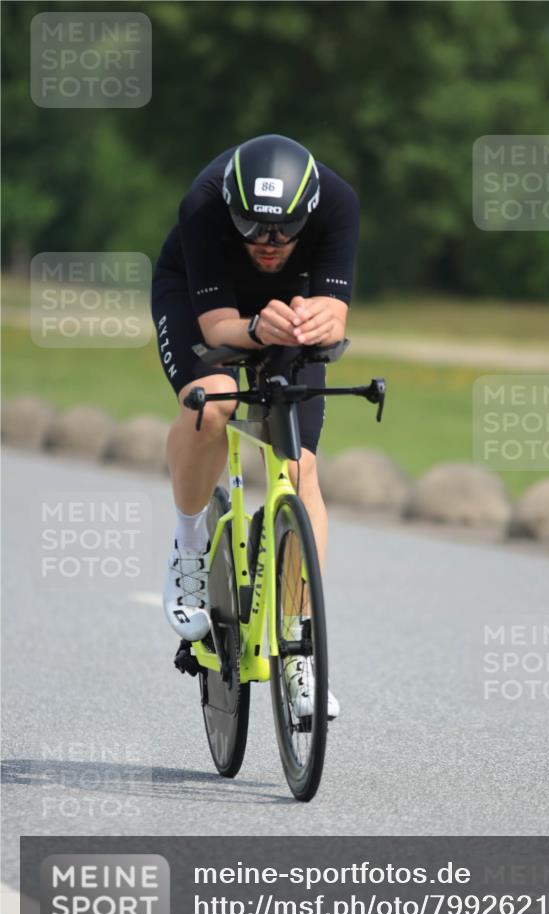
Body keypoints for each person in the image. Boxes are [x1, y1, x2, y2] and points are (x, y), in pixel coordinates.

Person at [151, 133, 360, 720]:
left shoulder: (340, 203)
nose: (269, 244)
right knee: (212, 400)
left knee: (301, 467)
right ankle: (190, 547)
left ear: (309, 213)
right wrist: (257, 330)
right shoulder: (203, 203)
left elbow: (337, 311)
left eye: (284, 232)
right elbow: (218, 330)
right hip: (201, 296)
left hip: (287, 310)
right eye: (253, 228)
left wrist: (317, 319)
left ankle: (299, 648)